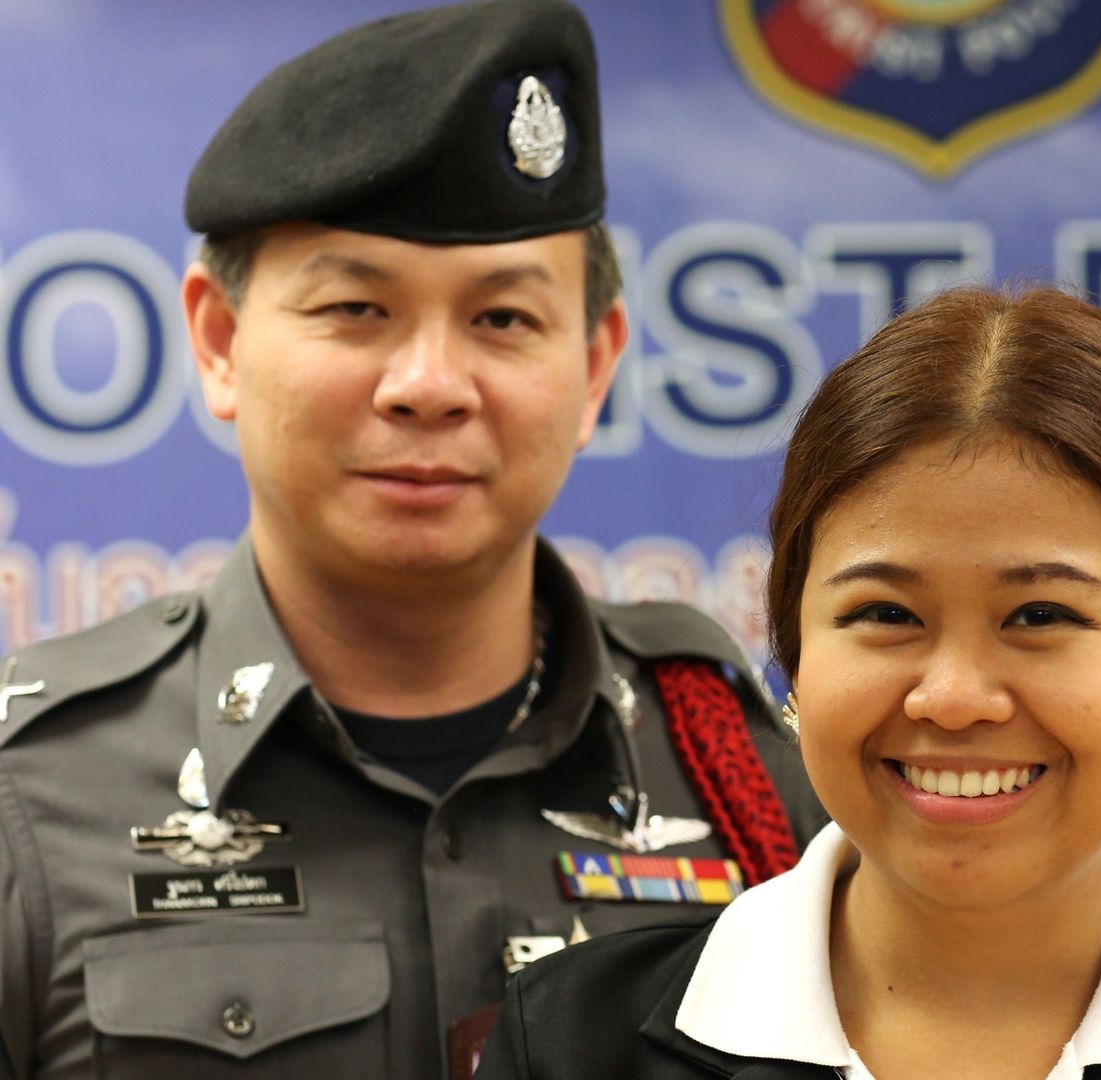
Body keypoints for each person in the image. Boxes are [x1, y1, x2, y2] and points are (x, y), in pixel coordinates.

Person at [0, 3, 819, 1078]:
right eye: (355, 309)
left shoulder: (762, 784)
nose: (429, 386)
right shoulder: (30, 803)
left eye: (503, 320)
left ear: (594, 366)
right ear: (219, 342)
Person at [474, 286, 1101, 1079]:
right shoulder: (569, 1047)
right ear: (792, 652)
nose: (953, 697)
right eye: (885, 616)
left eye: (1041, 616)